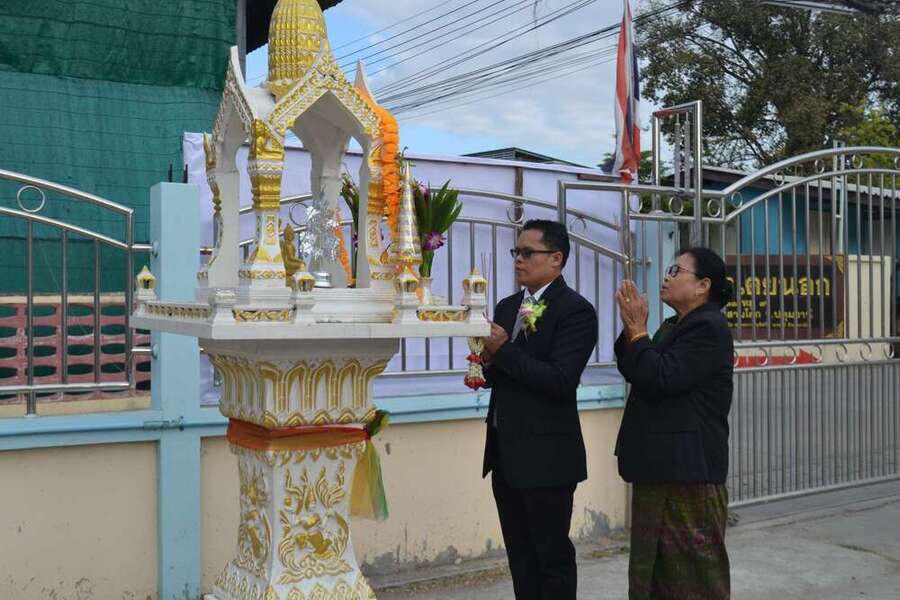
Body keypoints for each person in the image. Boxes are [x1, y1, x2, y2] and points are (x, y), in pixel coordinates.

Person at [480, 219, 598, 600]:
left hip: (547, 457)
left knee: (551, 558)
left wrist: (503, 351)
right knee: (520, 558)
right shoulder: (508, 306)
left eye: (528, 252)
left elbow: (560, 380)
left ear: (556, 259)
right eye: (516, 252)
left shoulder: (575, 311)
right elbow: (504, 372)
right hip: (506, 454)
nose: (518, 260)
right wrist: (485, 363)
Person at [614, 247, 735, 600]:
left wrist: (639, 332)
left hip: (688, 475)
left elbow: (663, 377)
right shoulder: (675, 325)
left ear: (702, 286)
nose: (666, 277)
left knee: (693, 582)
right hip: (660, 468)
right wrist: (632, 330)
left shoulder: (709, 327)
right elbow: (637, 369)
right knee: (651, 577)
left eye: (676, 270)